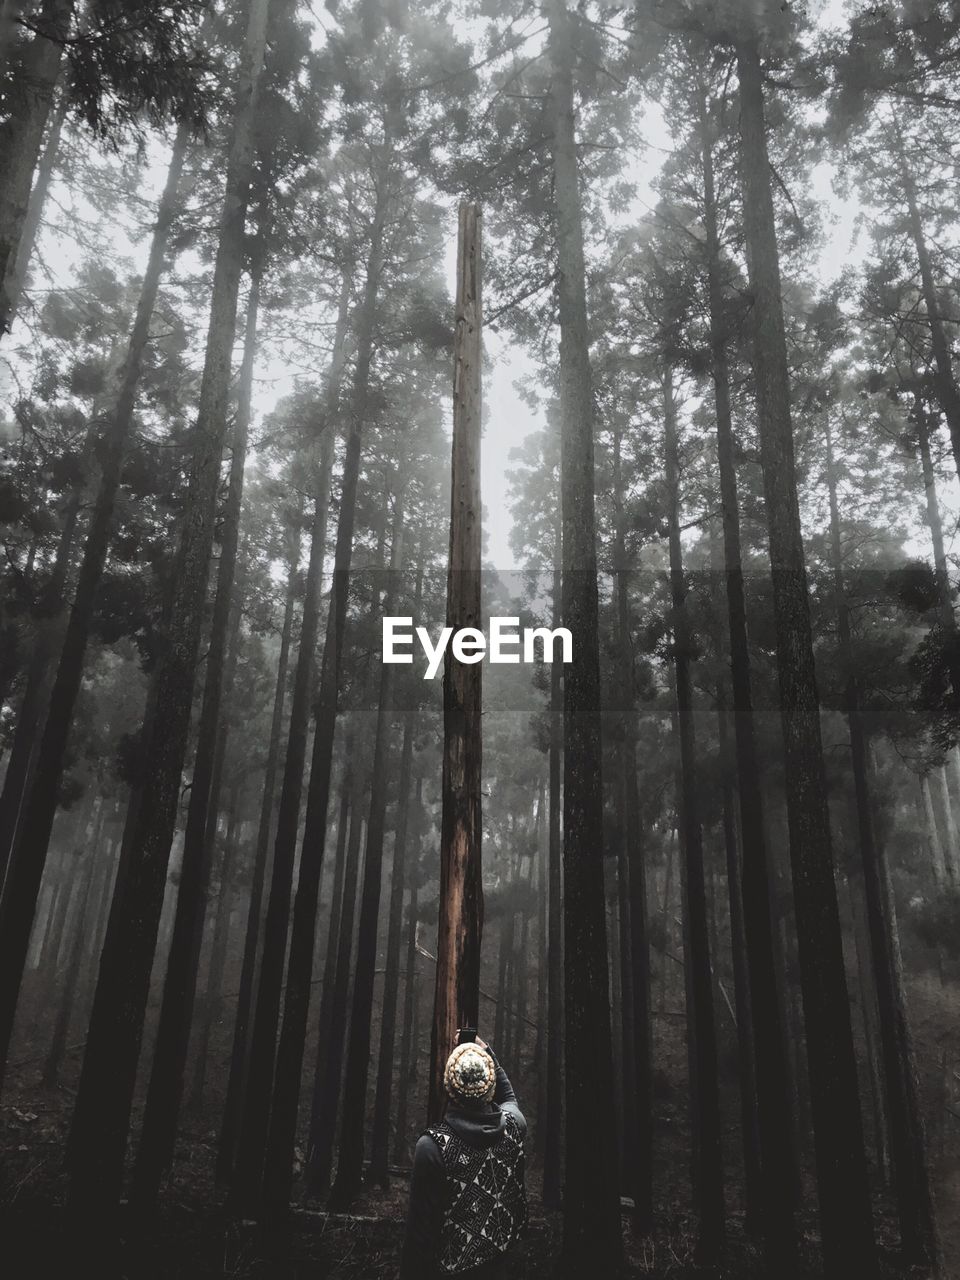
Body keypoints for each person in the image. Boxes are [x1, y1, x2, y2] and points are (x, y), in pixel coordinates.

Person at [400, 1035, 527, 1279]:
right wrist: (486, 1051)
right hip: (508, 1266)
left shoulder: (433, 1147)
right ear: (489, 1088)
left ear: (448, 1087)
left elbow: (419, 1237)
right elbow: (509, 1096)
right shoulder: (514, 1126)